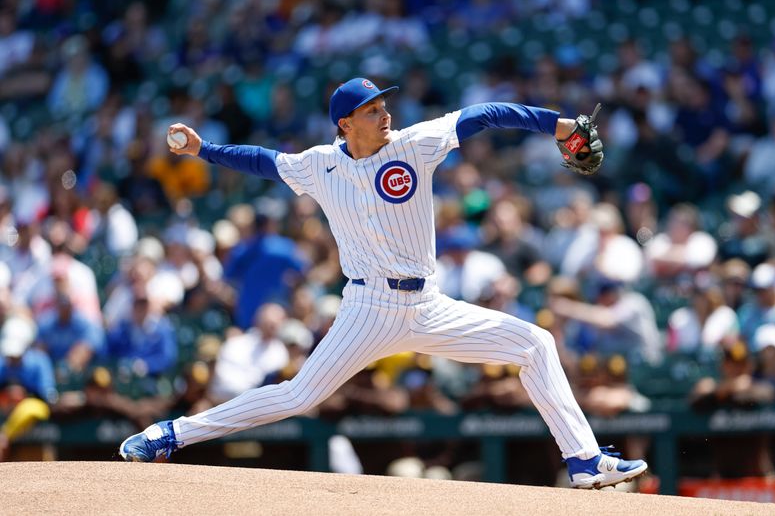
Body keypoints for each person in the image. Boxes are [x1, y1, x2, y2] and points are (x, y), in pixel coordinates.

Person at [119, 77, 647, 489]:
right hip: (366, 307)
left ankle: (583, 460)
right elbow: (261, 161)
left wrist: (558, 126)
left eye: (384, 104)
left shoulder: (415, 145)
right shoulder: (318, 165)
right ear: (345, 123)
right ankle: (170, 435)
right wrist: (203, 149)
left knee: (536, 343)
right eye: (372, 110)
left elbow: (487, 114)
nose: (385, 113)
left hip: (428, 303)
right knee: (298, 396)